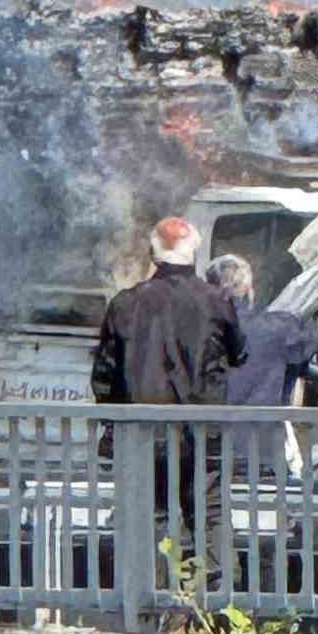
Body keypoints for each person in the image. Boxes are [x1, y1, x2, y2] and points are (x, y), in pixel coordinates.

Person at [92, 217, 246, 578]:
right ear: (194, 249)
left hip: (144, 433)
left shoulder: (126, 304)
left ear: (153, 253)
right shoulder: (216, 302)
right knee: (208, 514)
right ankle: (217, 609)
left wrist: (113, 426)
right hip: (202, 432)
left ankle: (147, 605)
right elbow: (239, 354)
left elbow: (104, 375)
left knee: (149, 517)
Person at [205, 254, 318, 476]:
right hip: (262, 454)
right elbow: (309, 341)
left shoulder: (192, 331)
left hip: (205, 455)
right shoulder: (277, 328)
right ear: (249, 288)